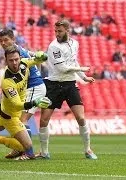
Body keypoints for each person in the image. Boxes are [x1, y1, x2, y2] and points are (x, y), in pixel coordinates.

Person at [38, 19, 97, 160]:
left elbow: (73, 61)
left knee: (81, 117)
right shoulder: (53, 47)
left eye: (60, 31)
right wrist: (81, 69)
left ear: (67, 30)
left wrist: (84, 77)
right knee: (44, 120)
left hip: (70, 84)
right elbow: (62, 68)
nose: (57, 34)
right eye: (55, 31)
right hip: (53, 85)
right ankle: (44, 152)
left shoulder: (75, 43)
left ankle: (88, 150)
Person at [0, 28, 47, 159]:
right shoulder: (19, 51)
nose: (3, 43)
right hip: (30, 87)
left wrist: (37, 78)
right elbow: (36, 57)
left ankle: (25, 152)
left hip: (33, 86)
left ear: (13, 39)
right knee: (16, 121)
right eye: (1, 41)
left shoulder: (18, 54)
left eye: (6, 40)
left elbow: (34, 60)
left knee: (21, 120)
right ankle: (18, 149)